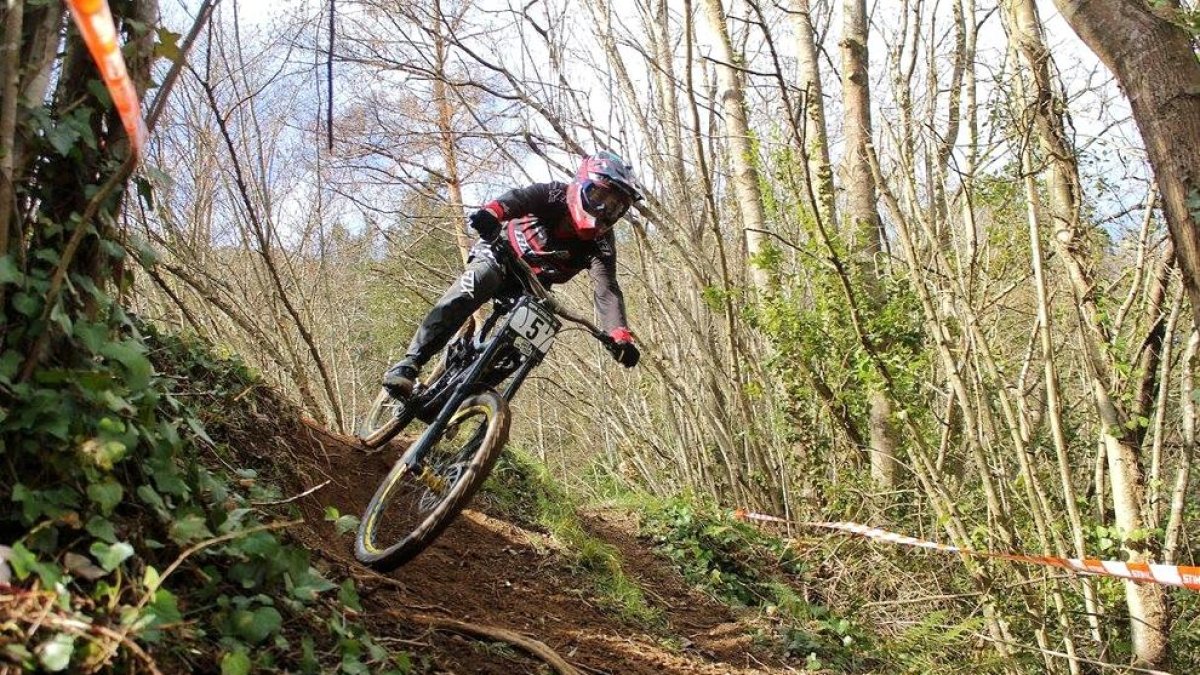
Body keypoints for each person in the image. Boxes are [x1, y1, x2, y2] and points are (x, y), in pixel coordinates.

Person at [381, 151, 643, 398]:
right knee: (478, 282)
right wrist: (491, 213)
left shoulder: (602, 243)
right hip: (499, 253)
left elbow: (607, 288)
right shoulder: (554, 194)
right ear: (581, 184)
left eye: (615, 208)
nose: (604, 211)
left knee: (535, 337)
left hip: (532, 286)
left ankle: (463, 398)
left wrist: (619, 335)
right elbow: (519, 199)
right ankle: (409, 363)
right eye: (600, 198)